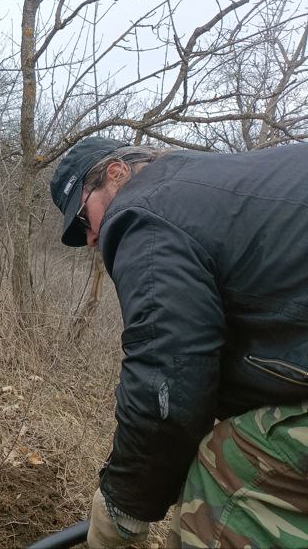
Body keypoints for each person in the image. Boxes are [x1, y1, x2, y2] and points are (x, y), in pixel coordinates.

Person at [50, 137, 308, 548]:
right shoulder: (204, 188)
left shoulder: (143, 211)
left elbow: (167, 379)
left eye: (84, 220)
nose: (91, 240)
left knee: (229, 471)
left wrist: (124, 507)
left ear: (116, 174)